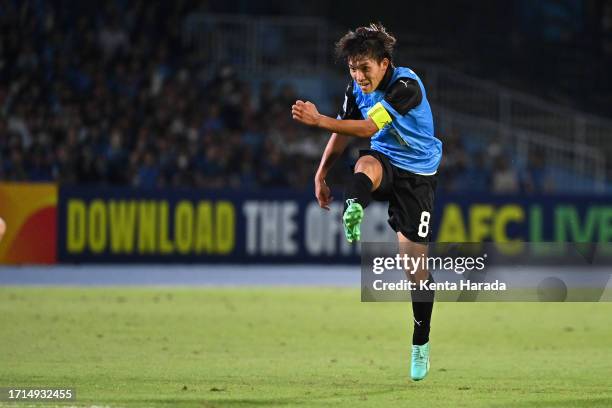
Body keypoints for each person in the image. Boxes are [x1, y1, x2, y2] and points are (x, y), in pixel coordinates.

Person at [291, 23, 442, 381]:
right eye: (352, 69)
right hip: (386, 161)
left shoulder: (406, 86)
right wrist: (320, 173)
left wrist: (317, 119)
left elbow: (369, 127)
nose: (358, 76)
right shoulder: (355, 91)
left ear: (385, 63)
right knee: (367, 162)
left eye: (365, 68)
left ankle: (420, 343)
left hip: (418, 176)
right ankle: (353, 205)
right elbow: (344, 132)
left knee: (414, 269)